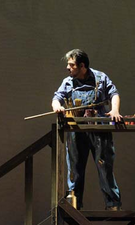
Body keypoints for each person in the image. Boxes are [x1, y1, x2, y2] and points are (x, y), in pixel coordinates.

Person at [52, 49, 122, 210]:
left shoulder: (100, 78)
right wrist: (58, 107)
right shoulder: (68, 82)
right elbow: (57, 97)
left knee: (105, 167)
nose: (68, 68)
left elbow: (114, 93)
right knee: (75, 170)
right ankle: (74, 206)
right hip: (76, 132)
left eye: (71, 65)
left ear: (82, 66)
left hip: (99, 130)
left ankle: (113, 206)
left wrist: (115, 110)